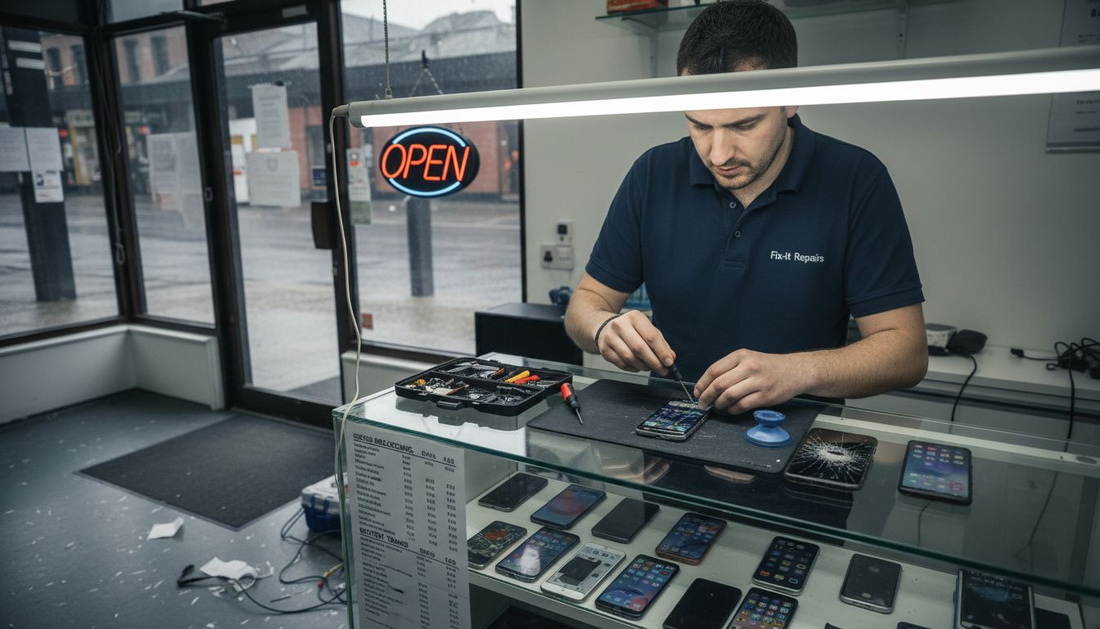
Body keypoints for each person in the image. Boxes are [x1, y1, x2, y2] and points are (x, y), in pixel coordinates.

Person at [564, 0, 928, 415]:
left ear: (791, 101)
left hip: (796, 442)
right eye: (700, 125)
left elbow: (906, 352)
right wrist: (603, 327)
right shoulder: (654, 172)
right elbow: (585, 302)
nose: (719, 154)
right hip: (671, 427)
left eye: (744, 125)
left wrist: (798, 371)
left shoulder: (855, 178)